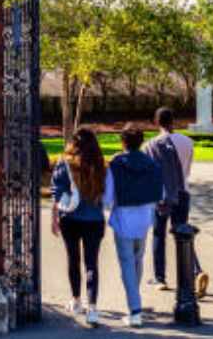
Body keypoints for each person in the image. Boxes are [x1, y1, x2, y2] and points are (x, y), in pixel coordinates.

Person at [143, 107, 209, 298]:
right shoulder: (187, 142)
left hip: (162, 195)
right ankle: (196, 272)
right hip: (183, 191)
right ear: (174, 121)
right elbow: (187, 170)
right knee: (183, 233)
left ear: (156, 122)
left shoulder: (151, 145)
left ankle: (160, 277)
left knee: (158, 234)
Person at [105, 123, 163, 328]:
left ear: (123, 142)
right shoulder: (152, 163)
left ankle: (135, 309)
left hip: (123, 220)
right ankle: (134, 299)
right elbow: (160, 193)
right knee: (137, 261)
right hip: (145, 218)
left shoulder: (116, 164)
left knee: (127, 264)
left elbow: (108, 197)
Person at [50, 126, 106, 326]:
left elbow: (57, 192)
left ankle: (76, 300)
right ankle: (93, 308)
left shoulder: (64, 163)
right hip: (94, 219)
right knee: (92, 264)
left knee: (73, 259)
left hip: (70, 218)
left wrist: (54, 218)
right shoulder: (100, 165)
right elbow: (105, 193)